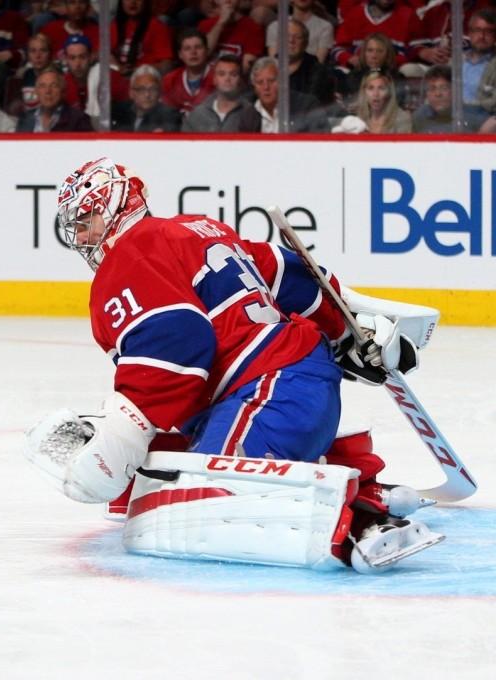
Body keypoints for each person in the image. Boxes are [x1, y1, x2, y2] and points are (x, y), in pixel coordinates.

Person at [24, 157, 442, 574]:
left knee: (200, 501)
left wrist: (123, 432)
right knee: (156, 477)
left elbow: (178, 340)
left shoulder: (127, 259)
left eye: (87, 220)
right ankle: (360, 482)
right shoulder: (197, 228)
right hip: (291, 384)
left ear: (118, 206)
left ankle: (357, 525)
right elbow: (289, 274)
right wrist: (347, 332)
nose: (81, 236)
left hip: (267, 391)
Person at [239, 56, 327, 132]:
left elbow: (321, 142)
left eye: (271, 81)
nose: (266, 87)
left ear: (283, 81)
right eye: (260, 82)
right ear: (254, 86)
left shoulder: (307, 106)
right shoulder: (248, 115)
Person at [182, 53, 247, 131]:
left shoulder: (250, 113)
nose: (227, 79)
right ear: (214, 79)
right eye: (222, 74)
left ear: (240, 79)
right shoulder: (197, 115)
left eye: (233, 74)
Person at [198, 0, 264, 74]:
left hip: (233, 80)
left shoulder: (253, 28)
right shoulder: (204, 25)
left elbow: (246, 68)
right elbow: (201, 56)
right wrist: (221, 23)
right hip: (205, 80)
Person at [16, 68, 94, 131]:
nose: (48, 91)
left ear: (63, 91)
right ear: (36, 91)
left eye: (54, 86)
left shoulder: (78, 119)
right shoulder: (24, 118)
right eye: (43, 86)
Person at [110, 64, 181, 131]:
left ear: (159, 92)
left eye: (153, 89)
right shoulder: (118, 112)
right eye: (141, 89)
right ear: (131, 93)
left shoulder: (170, 117)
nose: (147, 95)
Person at [161, 29, 215, 115]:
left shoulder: (220, 77)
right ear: (180, 54)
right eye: (187, 48)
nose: (193, 52)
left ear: (207, 51)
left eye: (198, 47)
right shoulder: (170, 80)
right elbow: (166, 116)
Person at [265, 0, 334, 63]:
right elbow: (274, 62)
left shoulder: (325, 27)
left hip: (310, 73)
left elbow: (318, 62)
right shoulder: (275, 26)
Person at [355, 69, 412, 133]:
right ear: (364, 92)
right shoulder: (359, 118)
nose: (375, 94)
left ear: (389, 92)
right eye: (370, 88)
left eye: (381, 88)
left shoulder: (402, 119)